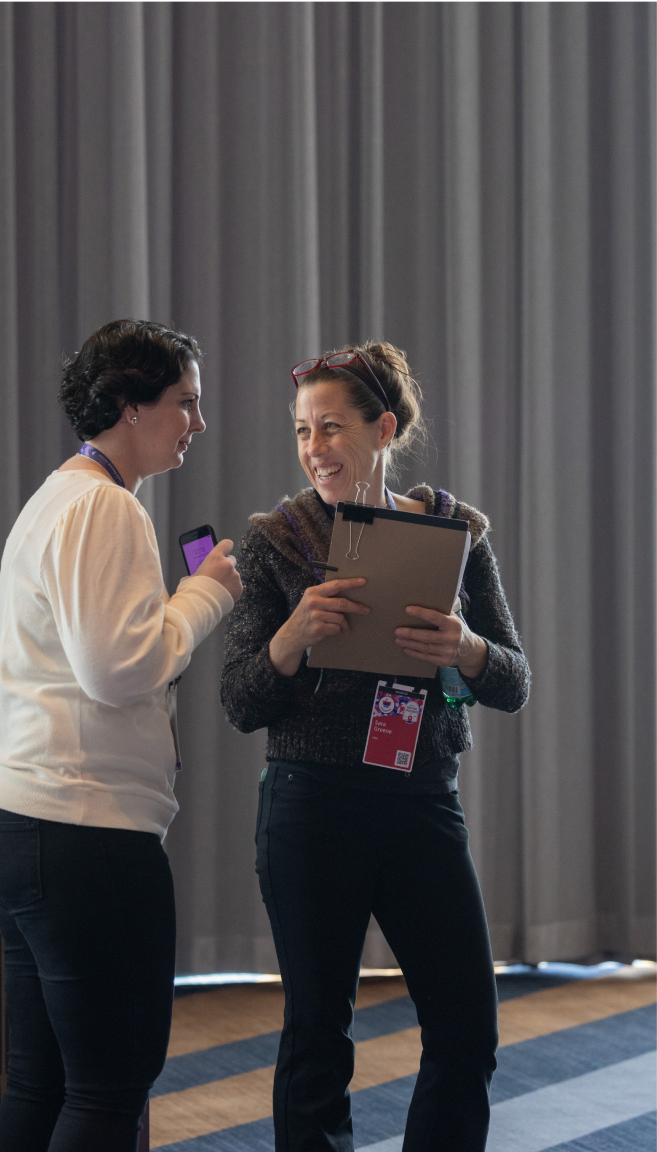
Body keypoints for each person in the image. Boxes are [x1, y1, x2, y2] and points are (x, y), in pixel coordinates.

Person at [220, 342, 530, 1152]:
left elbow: (514, 679)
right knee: (316, 1038)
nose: (313, 449)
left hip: (422, 799)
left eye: (330, 428)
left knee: (466, 1030)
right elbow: (239, 699)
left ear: (382, 427)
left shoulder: (453, 530)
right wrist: (292, 636)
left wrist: (465, 649)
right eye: (300, 432)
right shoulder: (274, 540)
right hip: (309, 806)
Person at [0, 319, 242, 1152]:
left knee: (43, 1085)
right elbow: (118, 671)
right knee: (107, 1092)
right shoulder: (106, 507)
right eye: (185, 403)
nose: (197, 423)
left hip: (22, 820)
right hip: (81, 830)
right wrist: (207, 595)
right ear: (129, 406)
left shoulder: (57, 497)